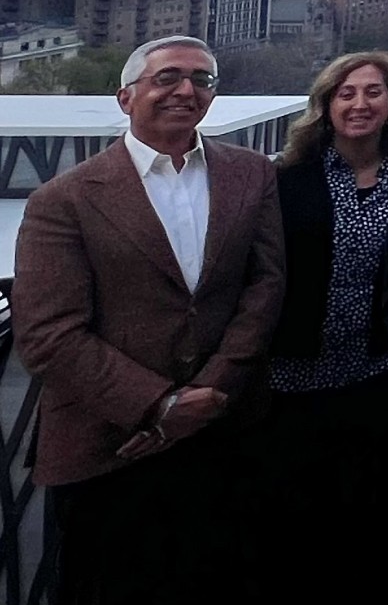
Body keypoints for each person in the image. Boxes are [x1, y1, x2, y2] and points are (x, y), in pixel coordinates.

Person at [17, 36, 285, 605]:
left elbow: (265, 285)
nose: (186, 90)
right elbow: (47, 333)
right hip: (112, 447)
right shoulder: (63, 198)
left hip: (225, 436)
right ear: (126, 98)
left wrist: (213, 389)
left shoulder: (251, 174)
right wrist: (159, 405)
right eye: (167, 78)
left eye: (201, 79)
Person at [266, 51, 388, 605]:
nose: (360, 104)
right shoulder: (286, 179)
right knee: (300, 530)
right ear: (326, 105)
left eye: (373, 92)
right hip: (295, 380)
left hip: (383, 377)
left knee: (378, 526)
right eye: (346, 93)